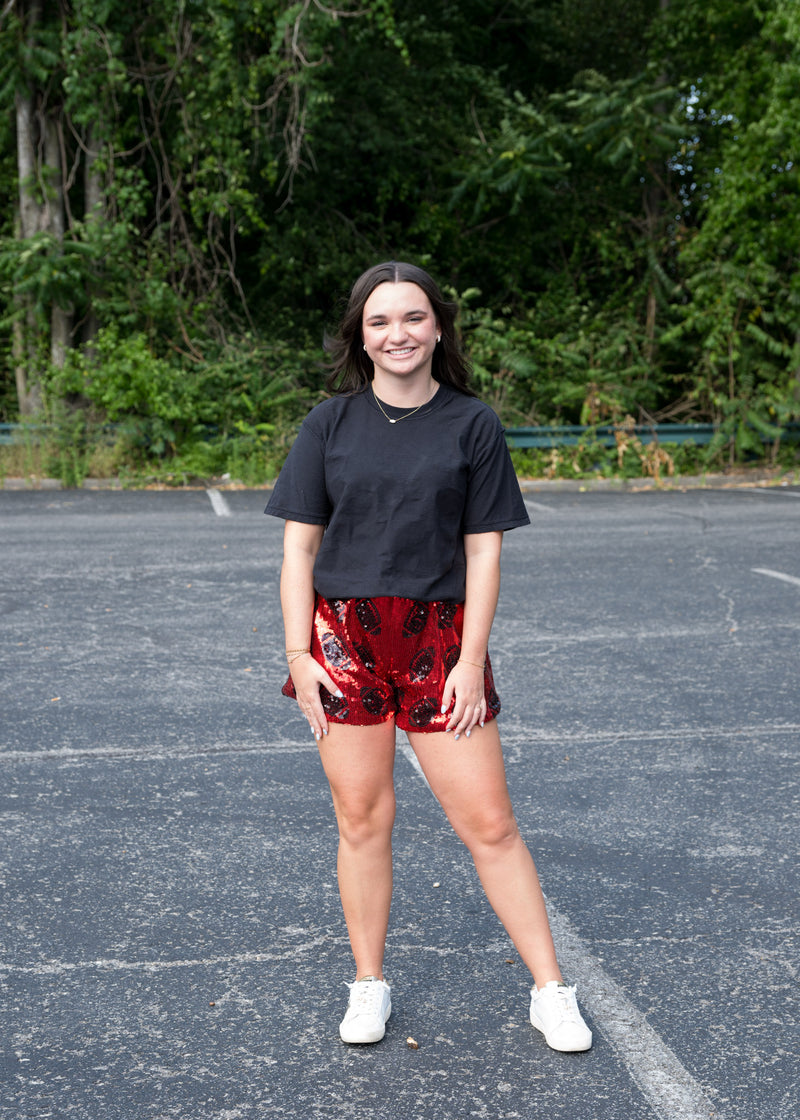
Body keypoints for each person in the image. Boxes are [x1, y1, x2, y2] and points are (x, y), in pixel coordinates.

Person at [265, 261, 592, 1053]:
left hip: (438, 644)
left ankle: (551, 991)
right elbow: (297, 547)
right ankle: (369, 984)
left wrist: (471, 659)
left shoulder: (471, 424)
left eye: (412, 318)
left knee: (490, 823)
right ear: (361, 336)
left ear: (438, 328)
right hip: (342, 642)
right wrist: (299, 654)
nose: (397, 334)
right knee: (362, 818)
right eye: (380, 322)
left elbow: (484, 554)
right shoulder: (328, 425)